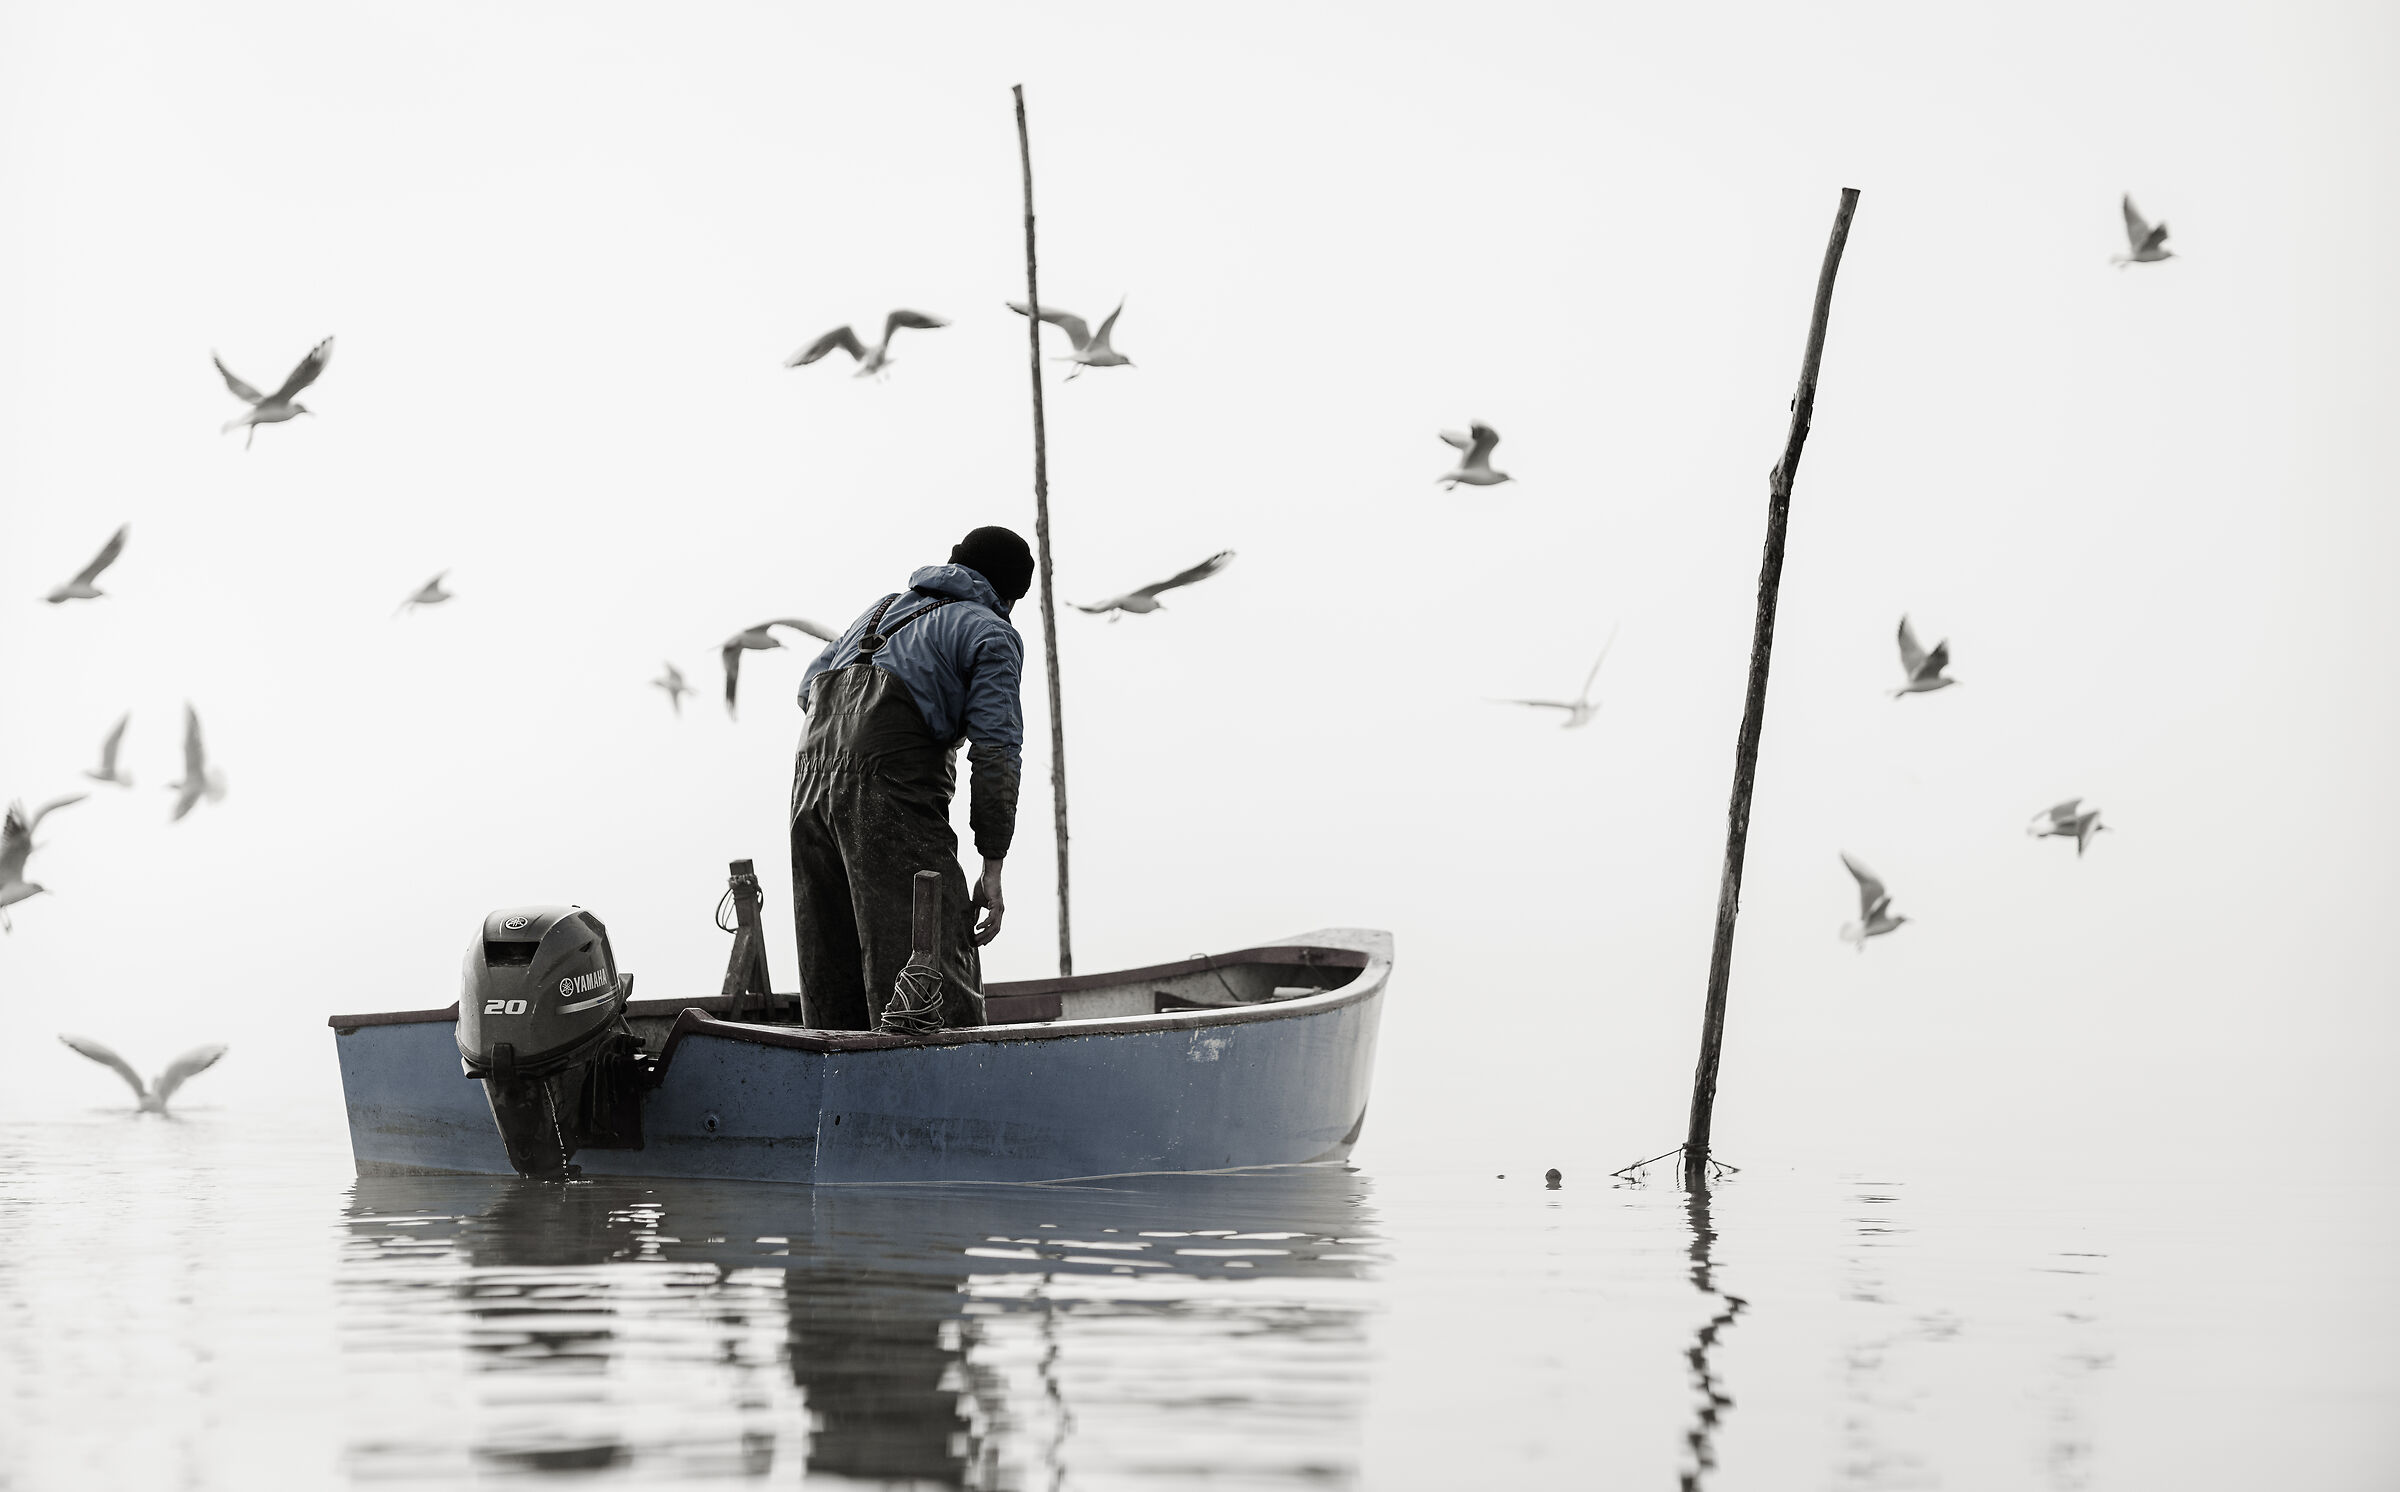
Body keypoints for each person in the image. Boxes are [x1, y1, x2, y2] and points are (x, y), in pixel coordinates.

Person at [789, 526, 1032, 1030]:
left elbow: (808, 688)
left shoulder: (880, 610)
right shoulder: (990, 631)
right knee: (934, 980)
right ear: (1008, 595)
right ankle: (953, 1100)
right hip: (891, 788)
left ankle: (835, 1093)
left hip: (808, 790)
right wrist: (993, 862)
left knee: (834, 980)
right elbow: (996, 754)